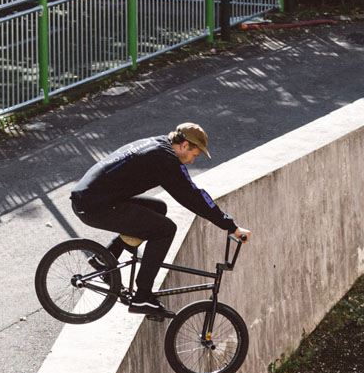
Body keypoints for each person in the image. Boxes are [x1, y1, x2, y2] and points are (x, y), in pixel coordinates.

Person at [69, 122, 251, 314]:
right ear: (184, 145)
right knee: (165, 229)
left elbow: (191, 195)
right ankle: (143, 296)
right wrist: (231, 226)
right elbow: (193, 197)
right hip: (94, 206)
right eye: (194, 155)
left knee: (158, 208)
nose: (191, 161)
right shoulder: (165, 159)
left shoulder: (158, 144)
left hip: (91, 197)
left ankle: (106, 258)